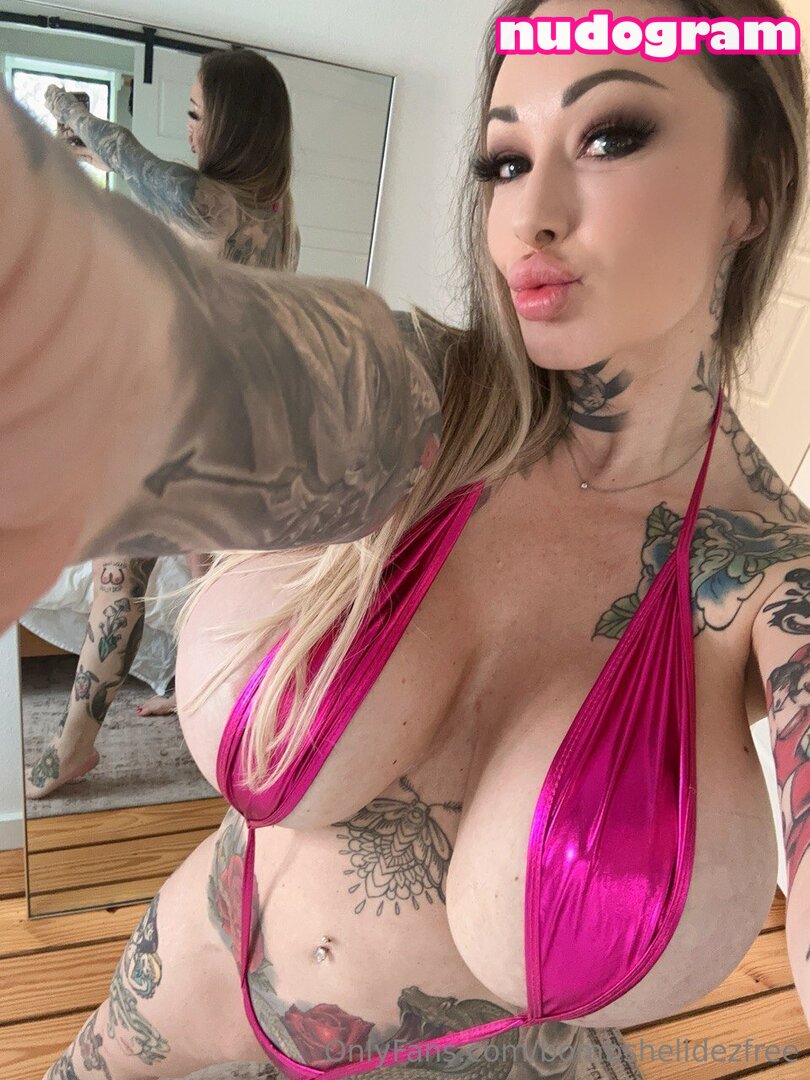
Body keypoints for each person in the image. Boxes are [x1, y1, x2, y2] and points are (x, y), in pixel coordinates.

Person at [1, 0, 808, 1076]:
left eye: (611, 136)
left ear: (755, 185)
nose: (530, 216)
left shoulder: (773, 576)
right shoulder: (413, 393)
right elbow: (168, 349)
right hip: (177, 993)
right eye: (505, 162)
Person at [24, 47, 301, 799]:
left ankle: (75, 745)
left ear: (231, 127)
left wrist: (69, 108)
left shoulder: (210, 206)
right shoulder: (273, 212)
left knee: (119, 577)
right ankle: (206, 692)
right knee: (206, 574)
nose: (189, 130)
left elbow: (137, 161)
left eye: (196, 114)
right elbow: (145, 182)